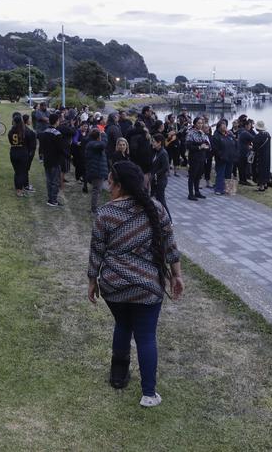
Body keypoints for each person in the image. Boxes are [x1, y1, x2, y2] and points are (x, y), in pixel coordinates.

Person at [87, 161, 183, 407]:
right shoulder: (157, 209)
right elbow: (170, 245)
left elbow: (96, 251)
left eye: (111, 182)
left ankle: (118, 376)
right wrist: (177, 275)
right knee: (146, 336)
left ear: (120, 185)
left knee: (122, 325)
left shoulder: (106, 213)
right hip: (148, 287)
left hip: (113, 285)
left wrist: (92, 280)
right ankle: (149, 394)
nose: (109, 187)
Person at [38, 113, 65, 207]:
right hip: (55, 160)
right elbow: (60, 148)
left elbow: (41, 146)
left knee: (49, 180)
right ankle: (53, 200)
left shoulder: (44, 132)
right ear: (57, 121)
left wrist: (41, 156)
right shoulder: (57, 134)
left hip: (47, 160)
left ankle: (50, 198)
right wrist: (68, 156)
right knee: (55, 181)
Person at [185, 117, 210, 201]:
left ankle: (197, 192)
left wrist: (207, 146)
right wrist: (199, 147)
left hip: (202, 157)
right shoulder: (190, 133)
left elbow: (208, 144)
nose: (200, 124)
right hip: (194, 157)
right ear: (195, 124)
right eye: (198, 123)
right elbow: (188, 146)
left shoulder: (203, 133)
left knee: (199, 175)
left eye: (201, 123)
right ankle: (190, 194)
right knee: (192, 175)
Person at [211, 119, 238, 196]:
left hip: (230, 158)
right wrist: (221, 155)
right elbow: (215, 149)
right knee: (220, 173)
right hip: (221, 158)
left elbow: (235, 144)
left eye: (225, 125)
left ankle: (227, 188)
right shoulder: (216, 136)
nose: (225, 127)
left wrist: (234, 155)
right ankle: (218, 189)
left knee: (228, 174)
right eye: (223, 125)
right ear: (219, 127)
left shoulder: (229, 134)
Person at [85, 129, 108, 214]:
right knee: (96, 190)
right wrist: (104, 135)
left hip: (96, 170)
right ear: (98, 137)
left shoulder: (92, 143)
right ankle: (94, 209)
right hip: (97, 170)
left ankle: (94, 208)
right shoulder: (93, 144)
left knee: (97, 190)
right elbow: (103, 144)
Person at [7, 113, 30, 198]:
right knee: (21, 172)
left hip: (13, 152)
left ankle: (18, 188)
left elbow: (10, 141)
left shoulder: (10, 131)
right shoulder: (24, 131)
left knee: (17, 172)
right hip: (22, 153)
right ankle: (19, 190)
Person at [151, 134, 171, 221]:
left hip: (160, 181)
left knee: (161, 201)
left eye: (154, 142)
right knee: (156, 200)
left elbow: (165, 167)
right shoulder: (156, 151)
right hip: (155, 181)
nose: (152, 143)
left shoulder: (163, 153)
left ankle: (169, 220)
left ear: (159, 143)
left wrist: (156, 174)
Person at [253, 121, 271, 191]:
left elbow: (255, 147)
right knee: (266, 169)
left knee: (260, 170)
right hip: (267, 155)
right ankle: (265, 184)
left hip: (260, 155)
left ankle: (261, 186)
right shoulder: (267, 134)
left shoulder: (258, 136)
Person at [237, 119, 255, 186]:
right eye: (250, 125)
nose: (251, 127)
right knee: (244, 167)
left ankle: (242, 180)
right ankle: (243, 180)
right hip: (243, 152)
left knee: (241, 167)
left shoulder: (241, 131)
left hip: (240, 151)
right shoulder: (245, 133)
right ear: (246, 125)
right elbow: (254, 139)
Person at [22, 113, 37, 193]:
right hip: (27, 153)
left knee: (22, 169)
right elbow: (32, 146)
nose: (30, 121)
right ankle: (26, 185)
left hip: (21, 152)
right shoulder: (29, 132)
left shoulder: (20, 129)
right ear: (27, 120)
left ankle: (22, 184)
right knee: (25, 170)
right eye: (29, 119)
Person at [202, 123, 214, 189]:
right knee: (201, 170)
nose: (207, 129)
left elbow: (212, 146)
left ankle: (208, 182)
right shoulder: (201, 136)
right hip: (202, 155)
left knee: (208, 169)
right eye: (205, 127)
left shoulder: (210, 136)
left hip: (209, 155)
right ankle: (199, 182)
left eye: (208, 127)